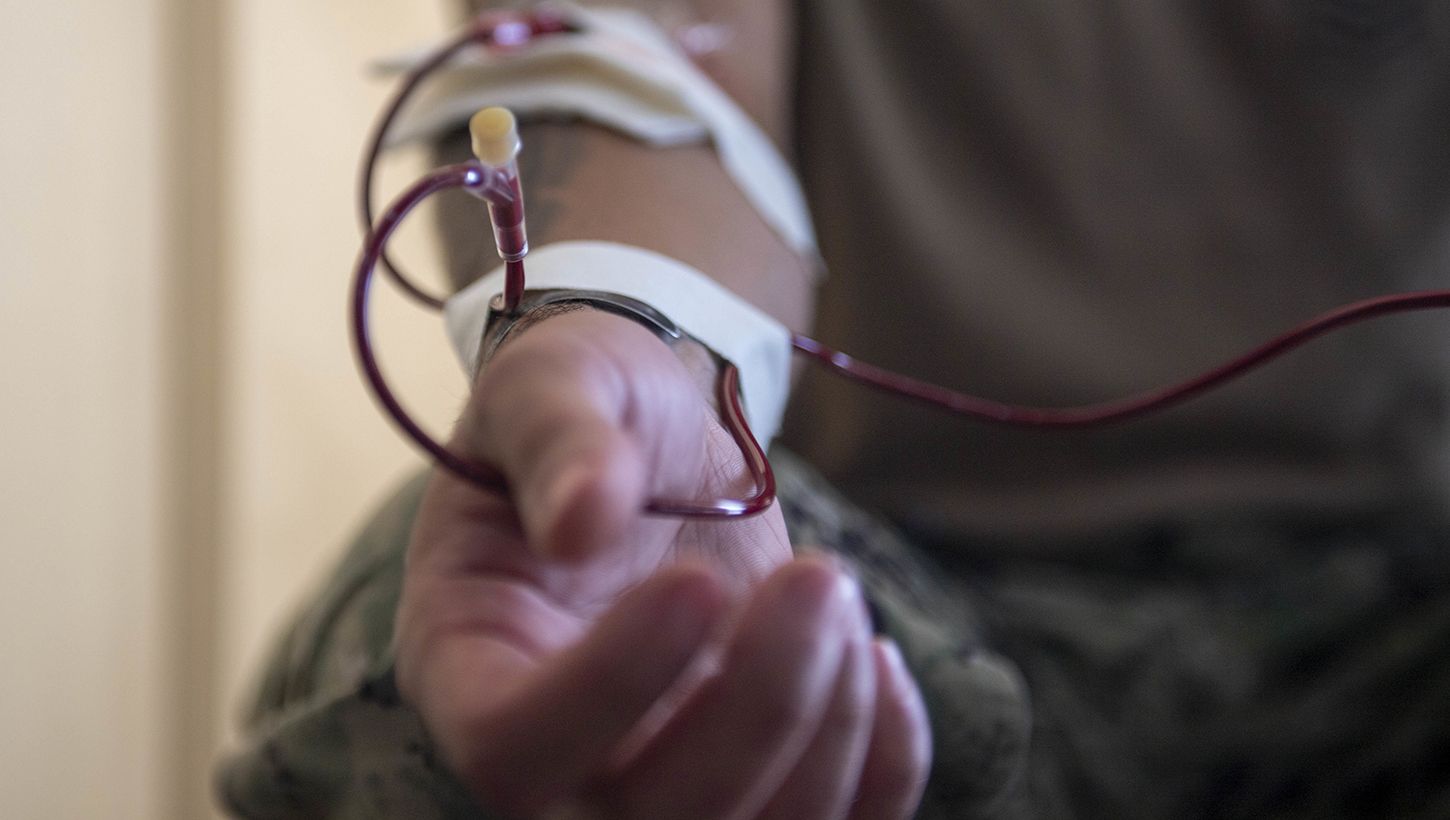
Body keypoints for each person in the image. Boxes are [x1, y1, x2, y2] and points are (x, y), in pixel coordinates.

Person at [218, 1, 1450, 818]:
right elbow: (636, 56)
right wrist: (628, 330)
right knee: (522, 609)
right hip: (883, 622)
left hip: (1405, 612)